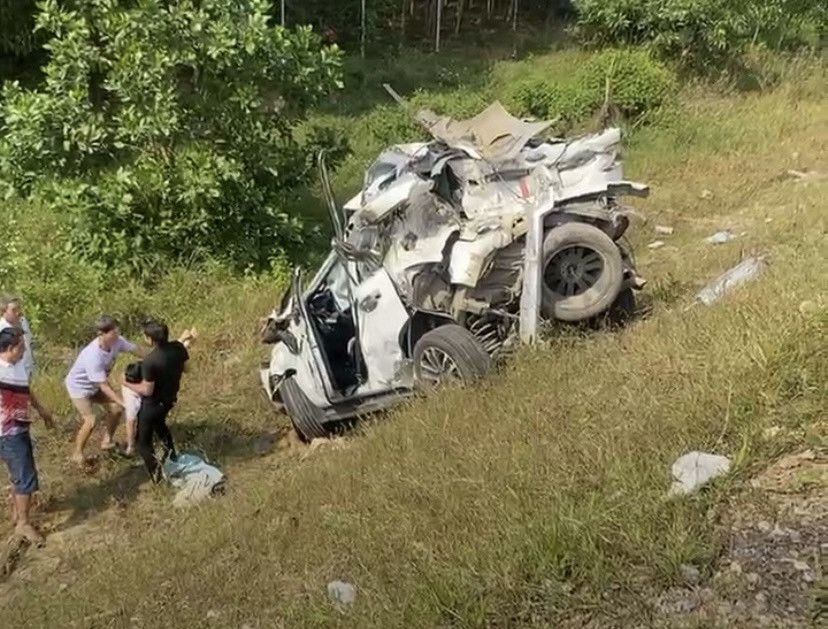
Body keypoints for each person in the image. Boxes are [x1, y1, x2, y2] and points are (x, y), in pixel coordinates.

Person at [65, 315, 143, 465]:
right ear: (101, 334)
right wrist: (124, 402)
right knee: (90, 420)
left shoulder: (117, 341)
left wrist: (156, 357)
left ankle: (107, 441)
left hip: (96, 385)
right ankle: (77, 453)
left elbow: (137, 350)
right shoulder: (93, 355)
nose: (117, 335)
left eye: (117, 331)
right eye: (113, 333)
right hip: (79, 388)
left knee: (116, 409)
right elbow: (104, 386)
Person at [0, 327, 53, 544]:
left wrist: (41, 410)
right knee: (25, 477)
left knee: (18, 474)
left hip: (19, 428)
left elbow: (26, 389)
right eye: (21, 346)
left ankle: (17, 515)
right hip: (7, 433)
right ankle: (23, 523)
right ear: (10, 348)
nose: (25, 349)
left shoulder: (18, 366)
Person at [122, 320, 190, 483]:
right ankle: (172, 456)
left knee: (143, 443)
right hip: (169, 399)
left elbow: (147, 390)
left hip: (152, 405)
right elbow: (186, 368)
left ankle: (156, 475)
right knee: (160, 425)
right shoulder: (178, 348)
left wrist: (126, 383)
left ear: (150, 339)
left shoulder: (150, 361)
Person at [0, 295, 35, 378]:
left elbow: (28, 344)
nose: (18, 312)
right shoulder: (2, 329)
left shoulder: (23, 323)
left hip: (27, 371)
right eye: (13, 310)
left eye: (19, 309)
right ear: (4, 311)